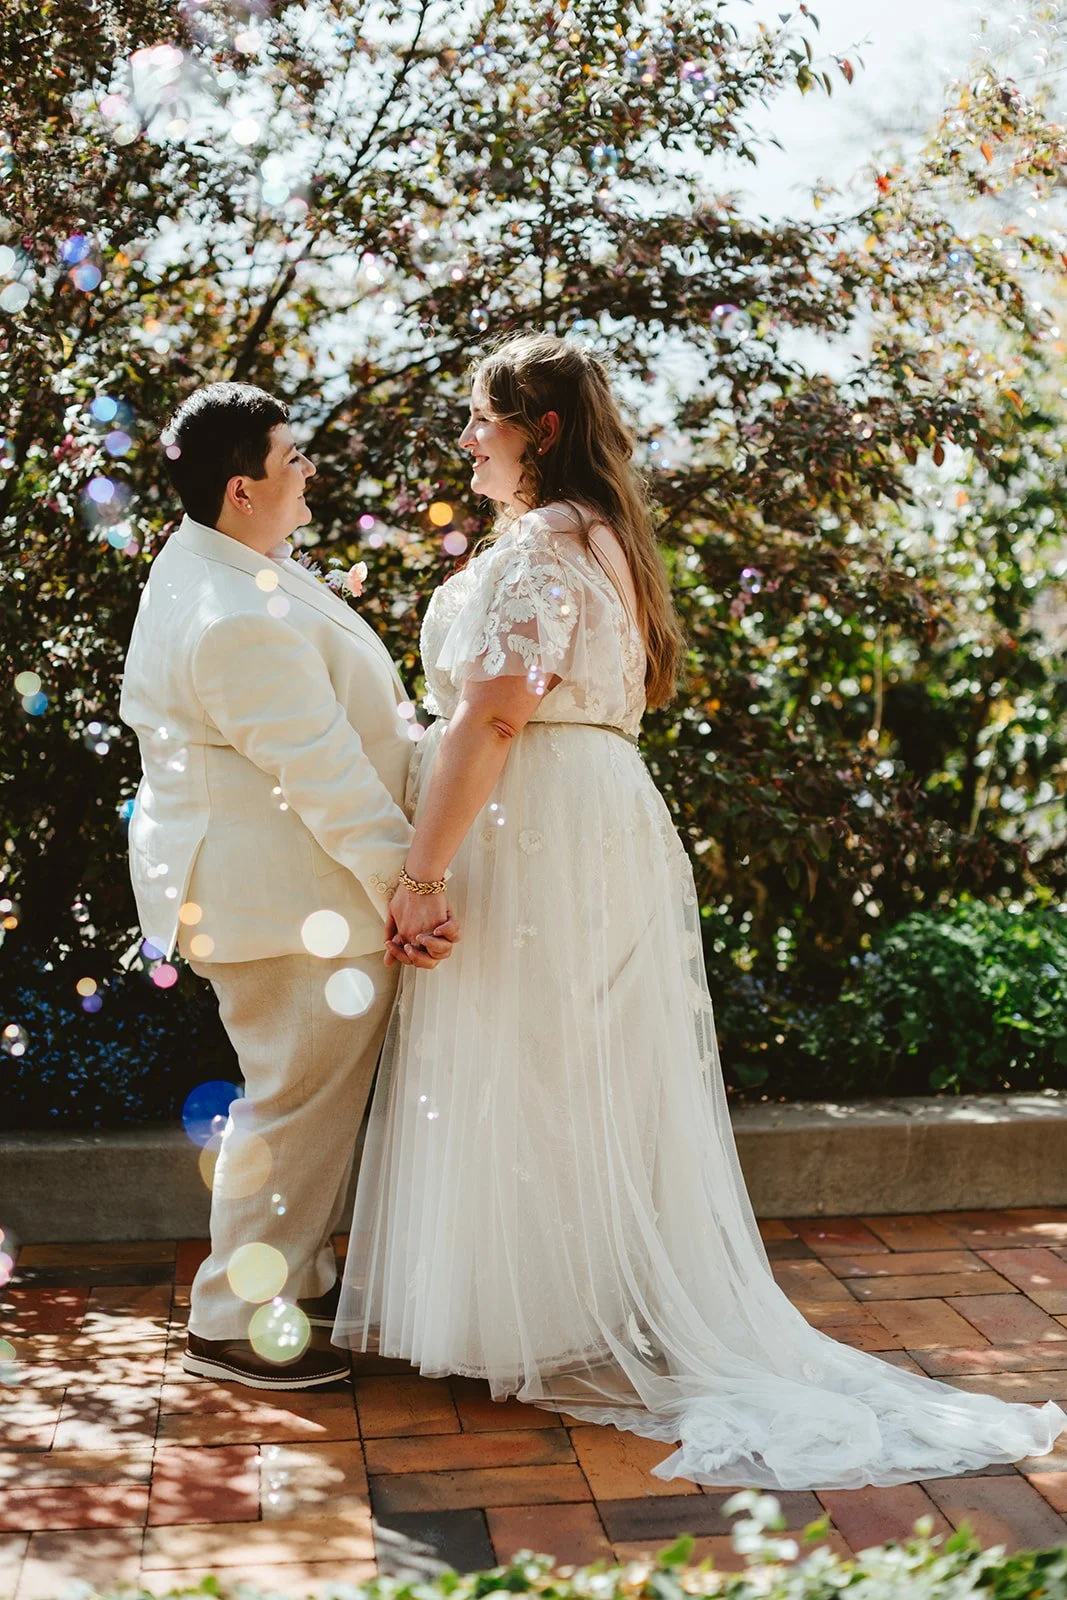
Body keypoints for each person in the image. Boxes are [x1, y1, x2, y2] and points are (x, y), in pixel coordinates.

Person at [333, 333, 1067, 1488]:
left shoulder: (536, 549)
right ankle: (549, 1301)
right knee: (577, 1064)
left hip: (535, 820)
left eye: (484, 418)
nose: (467, 438)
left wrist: (419, 875)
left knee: (526, 1057)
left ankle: (523, 1314)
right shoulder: (610, 541)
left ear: (543, 431)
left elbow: (491, 719)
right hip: (599, 814)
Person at [120, 382, 456, 1391]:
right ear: (239, 488)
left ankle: (289, 1280)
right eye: (291, 458)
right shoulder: (231, 616)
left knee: (301, 1102)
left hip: (277, 889)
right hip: (285, 898)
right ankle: (233, 1316)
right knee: (291, 1108)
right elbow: (324, 775)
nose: (306, 469)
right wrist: (411, 884)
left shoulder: (222, 565)